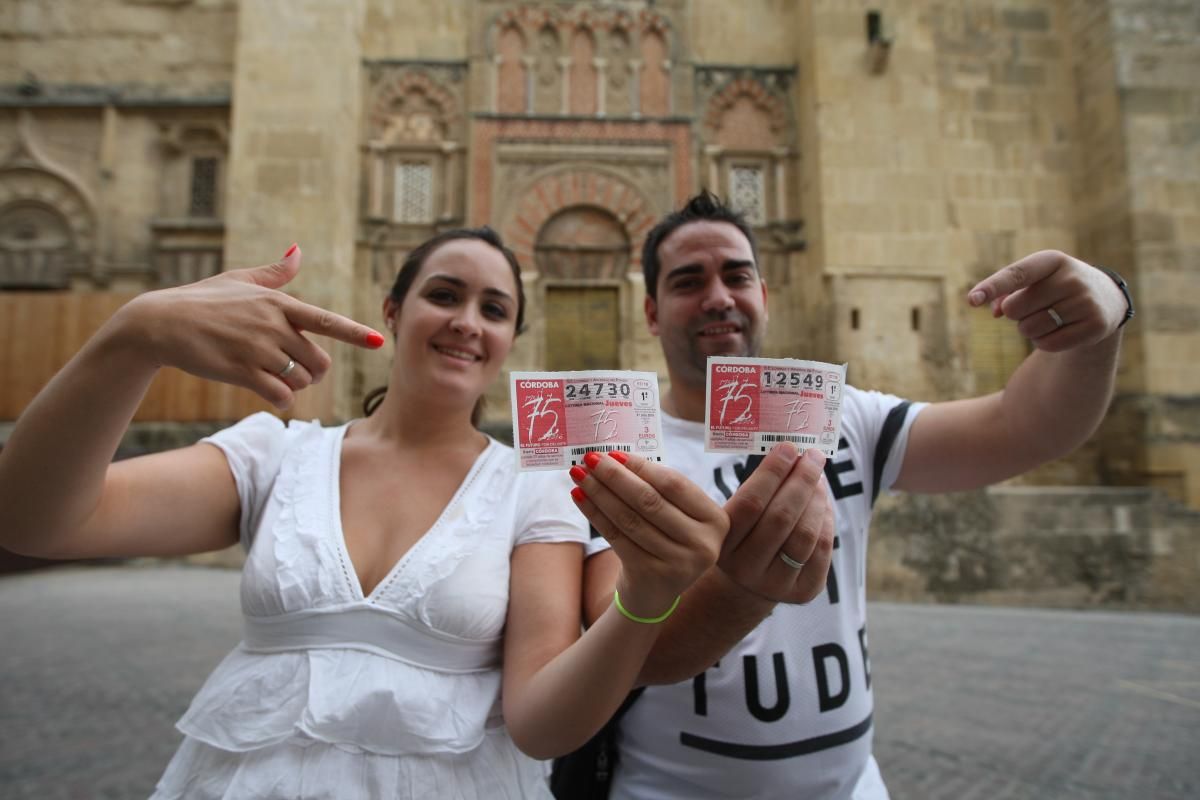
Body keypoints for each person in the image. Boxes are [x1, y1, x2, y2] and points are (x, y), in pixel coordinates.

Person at [0, 228, 730, 799]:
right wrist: (134, 336)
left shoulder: (530, 486)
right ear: (392, 308)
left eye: (495, 309)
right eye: (444, 295)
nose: (467, 323)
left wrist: (646, 600)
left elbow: (543, 725)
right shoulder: (277, 455)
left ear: (511, 341)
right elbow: (37, 521)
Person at [567, 191, 1134, 799]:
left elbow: (1027, 428)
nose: (718, 297)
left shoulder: (842, 419)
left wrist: (1103, 318)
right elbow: (622, 648)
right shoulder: (618, 450)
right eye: (688, 281)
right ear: (651, 312)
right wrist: (743, 590)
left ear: (766, 295)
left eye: (738, 275)